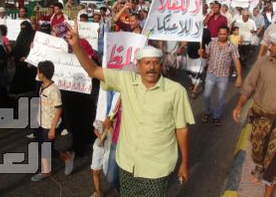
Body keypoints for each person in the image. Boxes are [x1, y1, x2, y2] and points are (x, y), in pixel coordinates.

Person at [65, 21, 195, 196]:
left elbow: (182, 129)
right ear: (138, 66)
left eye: (156, 63)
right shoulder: (126, 81)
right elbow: (94, 70)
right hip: (126, 164)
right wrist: (77, 46)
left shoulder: (176, 91)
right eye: (147, 63)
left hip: (156, 168)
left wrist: (184, 163)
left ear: (161, 65)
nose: (151, 67)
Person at [232, 27, 276, 197]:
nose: (269, 47)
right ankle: (259, 165)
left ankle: (268, 193)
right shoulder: (263, 62)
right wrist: (239, 105)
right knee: (258, 152)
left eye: (273, 44)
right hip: (260, 117)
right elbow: (249, 85)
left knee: (274, 160)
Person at [31, 61, 75, 181]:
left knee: (52, 149)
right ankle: (46, 170)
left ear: (42, 74)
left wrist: (52, 128)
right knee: (43, 147)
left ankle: (68, 157)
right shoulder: (42, 86)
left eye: (38, 71)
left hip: (50, 125)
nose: (37, 73)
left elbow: (59, 109)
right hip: (41, 123)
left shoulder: (54, 90)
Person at [200, 26, 242, 126]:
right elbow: (207, 55)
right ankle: (208, 111)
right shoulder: (211, 44)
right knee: (206, 95)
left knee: (220, 98)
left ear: (228, 34)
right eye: (220, 34)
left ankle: (216, 116)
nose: (222, 36)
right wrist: (202, 54)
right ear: (217, 34)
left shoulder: (232, 47)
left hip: (223, 76)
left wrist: (239, 76)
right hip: (211, 74)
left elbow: (236, 61)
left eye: (224, 34)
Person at [10, 21, 37, 95]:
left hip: (28, 60)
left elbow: (34, 49)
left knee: (28, 76)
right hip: (19, 60)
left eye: (25, 28)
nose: (23, 30)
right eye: (21, 28)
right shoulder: (21, 34)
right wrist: (12, 55)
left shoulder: (33, 35)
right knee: (19, 75)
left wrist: (27, 57)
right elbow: (17, 46)